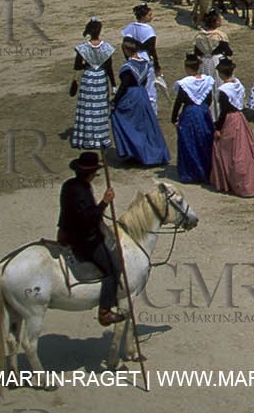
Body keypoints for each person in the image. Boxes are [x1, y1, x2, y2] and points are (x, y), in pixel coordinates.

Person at [57, 152, 127, 327]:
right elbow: (88, 218)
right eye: (95, 172)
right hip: (83, 239)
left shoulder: (69, 185)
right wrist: (104, 202)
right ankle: (105, 312)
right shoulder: (82, 190)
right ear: (90, 173)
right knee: (113, 268)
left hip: (66, 231)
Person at [209, 58, 254, 197]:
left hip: (230, 120)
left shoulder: (223, 90)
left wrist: (217, 127)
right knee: (247, 149)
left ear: (221, 74)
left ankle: (238, 183)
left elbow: (224, 111)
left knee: (230, 152)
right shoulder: (237, 84)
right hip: (240, 119)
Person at [111, 36, 168, 166]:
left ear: (126, 50)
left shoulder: (127, 67)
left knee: (131, 124)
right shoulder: (145, 64)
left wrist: (115, 101)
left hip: (131, 96)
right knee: (146, 125)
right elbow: (146, 81)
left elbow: (124, 85)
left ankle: (136, 153)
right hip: (142, 94)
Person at [70, 18, 115, 152]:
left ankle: (86, 138)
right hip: (101, 79)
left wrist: (87, 65)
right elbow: (109, 68)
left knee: (87, 108)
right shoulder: (106, 47)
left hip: (88, 79)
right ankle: (100, 137)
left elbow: (77, 66)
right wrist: (113, 84)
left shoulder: (83, 48)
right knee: (100, 109)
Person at [169, 54, 215, 184]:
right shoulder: (207, 81)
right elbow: (210, 98)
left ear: (187, 67)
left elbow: (179, 102)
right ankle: (206, 170)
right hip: (203, 112)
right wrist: (204, 108)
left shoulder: (185, 84)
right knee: (205, 141)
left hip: (189, 114)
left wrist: (173, 118)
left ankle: (192, 172)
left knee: (189, 142)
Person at [121, 4, 161, 107]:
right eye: (149, 15)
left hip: (132, 58)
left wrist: (128, 59)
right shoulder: (148, 30)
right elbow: (152, 49)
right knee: (150, 88)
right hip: (146, 59)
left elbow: (124, 44)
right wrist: (157, 65)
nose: (151, 17)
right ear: (143, 16)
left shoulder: (130, 27)